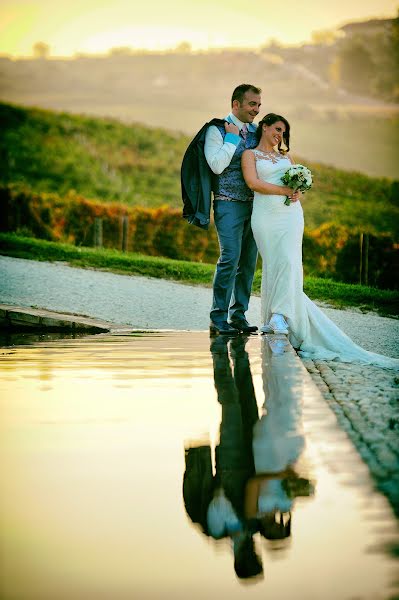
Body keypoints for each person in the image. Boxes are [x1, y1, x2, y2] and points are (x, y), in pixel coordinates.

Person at [241, 113, 399, 369]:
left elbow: (297, 187)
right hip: (265, 217)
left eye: (284, 132)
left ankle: (280, 317)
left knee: (290, 262)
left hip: (290, 217)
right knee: (275, 263)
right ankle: (280, 315)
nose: (280, 135)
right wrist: (284, 191)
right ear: (265, 126)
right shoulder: (250, 155)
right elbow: (252, 182)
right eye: (277, 129)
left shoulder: (285, 157)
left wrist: (297, 193)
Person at [204, 84, 262, 336]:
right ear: (235, 104)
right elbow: (216, 166)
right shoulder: (215, 130)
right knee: (230, 259)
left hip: (257, 207)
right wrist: (231, 138)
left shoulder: (258, 132)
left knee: (248, 263)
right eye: (252, 104)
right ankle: (218, 318)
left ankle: (238, 315)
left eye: (259, 105)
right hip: (228, 204)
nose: (256, 110)